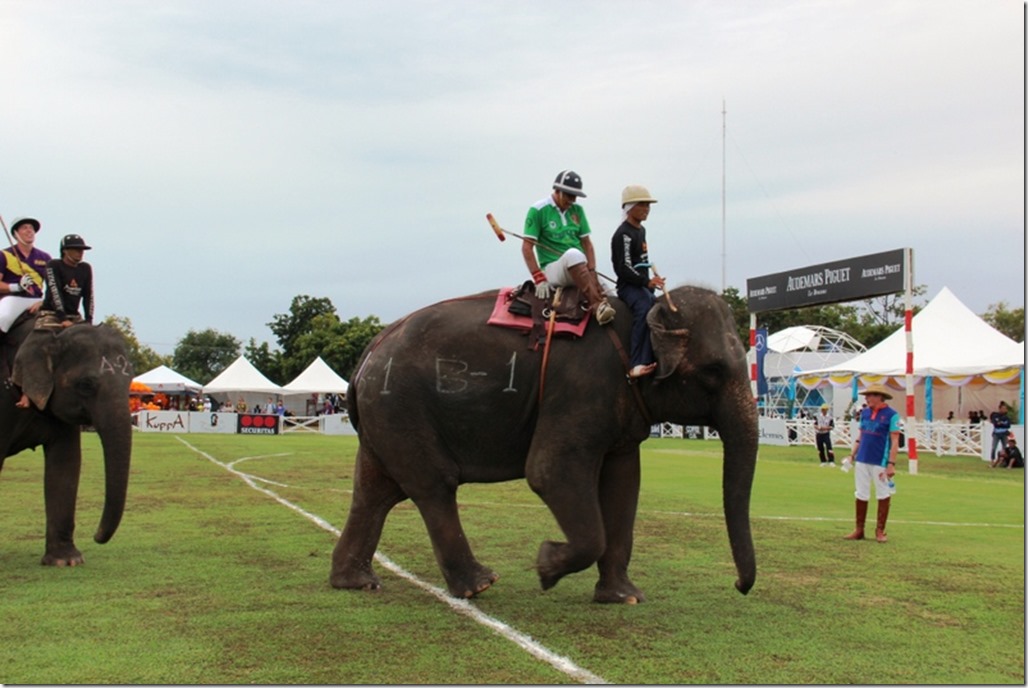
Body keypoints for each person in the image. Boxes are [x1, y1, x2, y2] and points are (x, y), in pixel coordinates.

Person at [522, 170, 615, 325]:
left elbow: (587, 244)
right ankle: (597, 306)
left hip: (580, 269)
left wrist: (592, 272)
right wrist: (538, 277)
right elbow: (526, 248)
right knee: (573, 254)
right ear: (557, 191)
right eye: (568, 195)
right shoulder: (538, 210)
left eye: (575, 196)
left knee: (613, 295)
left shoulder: (577, 210)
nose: (572, 200)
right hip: (553, 268)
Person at [610, 184, 664, 378]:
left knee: (657, 307)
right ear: (630, 207)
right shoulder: (623, 234)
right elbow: (623, 268)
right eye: (642, 205)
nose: (646, 209)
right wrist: (646, 282)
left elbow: (642, 262)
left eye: (648, 205)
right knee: (644, 308)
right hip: (628, 288)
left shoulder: (641, 231)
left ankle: (651, 357)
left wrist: (652, 281)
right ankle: (635, 363)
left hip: (642, 284)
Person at [843, 384, 899, 543]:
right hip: (862, 459)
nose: (867, 398)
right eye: (866, 395)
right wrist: (852, 455)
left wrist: (891, 463)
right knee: (861, 492)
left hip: (880, 461)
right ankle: (859, 529)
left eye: (870, 395)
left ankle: (880, 530)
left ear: (880, 397)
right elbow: (860, 436)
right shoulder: (865, 413)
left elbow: (895, 441)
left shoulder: (892, 415)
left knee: (883, 493)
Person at [0, 217, 51, 335]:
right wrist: (17, 287)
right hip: (13, 299)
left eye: (31, 228)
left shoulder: (45, 257)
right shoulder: (4, 255)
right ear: (15, 233)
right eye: (24, 228)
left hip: (37, 300)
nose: (29, 231)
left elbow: (53, 286)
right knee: (3, 318)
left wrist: (45, 302)